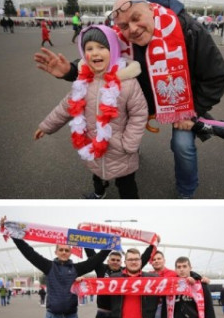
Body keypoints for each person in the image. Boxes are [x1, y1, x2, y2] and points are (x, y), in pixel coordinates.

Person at [34, 0, 224, 199]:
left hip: (182, 102)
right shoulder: (119, 36)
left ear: (151, 9)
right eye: (124, 25)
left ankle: (186, 191)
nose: (133, 29)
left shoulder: (188, 28)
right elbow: (98, 59)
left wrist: (193, 111)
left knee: (182, 146)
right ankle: (127, 160)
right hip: (135, 99)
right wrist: (69, 70)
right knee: (121, 131)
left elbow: (217, 76)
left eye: (136, 19)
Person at [35, 25, 148, 199]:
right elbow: (66, 106)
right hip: (93, 144)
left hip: (120, 148)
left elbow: (139, 114)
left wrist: (129, 143)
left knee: (126, 184)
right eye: (89, 48)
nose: (95, 53)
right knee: (96, 173)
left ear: (113, 49)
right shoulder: (83, 82)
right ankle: (98, 192)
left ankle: (131, 207)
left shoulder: (128, 82)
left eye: (102, 47)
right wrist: (46, 126)